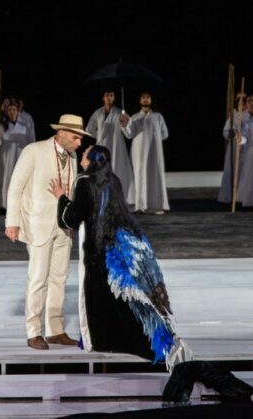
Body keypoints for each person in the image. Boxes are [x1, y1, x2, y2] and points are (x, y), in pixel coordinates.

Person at [49, 145, 187, 366]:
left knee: (97, 298)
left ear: (91, 160)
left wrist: (61, 198)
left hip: (94, 251)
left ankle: (99, 340)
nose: (82, 157)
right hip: (116, 249)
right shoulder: (114, 180)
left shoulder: (84, 182)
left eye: (85, 155)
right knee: (118, 298)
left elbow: (71, 219)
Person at [5, 114, 92, 350]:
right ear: (61, 133)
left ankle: (55, 330)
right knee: (38, 279)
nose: (79, 143)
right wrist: (12, 221)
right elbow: (15, 187)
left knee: (59, 279)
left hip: (64, 227)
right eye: (75, 137)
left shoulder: (73, 157)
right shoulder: (34, 151)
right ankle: (33, 331)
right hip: (39, 225)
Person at [120, 92, 169, 214]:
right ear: (140, 100)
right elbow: (129, 134)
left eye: (148, 97)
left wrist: (154, 138)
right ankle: (140, 206)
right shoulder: (135, 117)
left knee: (155, 175)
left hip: (154, 152)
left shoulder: (158, 117)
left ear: (151, 100)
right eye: (143, 97)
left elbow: (165, 134)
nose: (145, 99)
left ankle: (158, 205)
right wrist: (124, 124)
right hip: (139, 153)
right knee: (140, 175)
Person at [85, 90, 135, 205]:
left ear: (114, 98)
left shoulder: (119, 113)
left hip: (116, 148)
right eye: (107, 95)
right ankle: (101, 199)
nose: (109, 98)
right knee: (101, 173)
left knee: (116, 172)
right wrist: (100, 136)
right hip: (101, 148)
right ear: (103, 98)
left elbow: (129, 134)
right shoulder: (98, 113)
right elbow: (89, 129)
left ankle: (118, 199)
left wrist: (124, 124)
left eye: (111, 95)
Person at [0, 99, 30, 209]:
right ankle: (6, 204)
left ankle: (21, 204)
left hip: (20, 157)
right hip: (7, 157)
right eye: (9, 110)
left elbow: (30, 143)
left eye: (14, 109)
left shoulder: (24, 127)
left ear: (17, 111)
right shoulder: (2, 126)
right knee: (8, 179)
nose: (12, 112)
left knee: (21, 180)